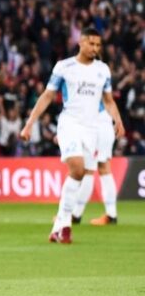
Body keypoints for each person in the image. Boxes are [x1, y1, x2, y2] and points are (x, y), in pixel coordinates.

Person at [20, 27, 124, 244]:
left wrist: (118, 120)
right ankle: (66, 224)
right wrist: (29, 124)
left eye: (98, 45)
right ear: (81, 42)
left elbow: (108, 100)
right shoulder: (64, 67)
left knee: (79, 175)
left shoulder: (103, 70)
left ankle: (59, 225)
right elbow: (48, 95)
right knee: (76, 168)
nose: (95, 48)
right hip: (70, 124)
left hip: (92, 128)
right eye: (91, 43)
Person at [71, 105, 119, 225]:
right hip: (106, 123)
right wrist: (118, 121)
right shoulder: (104, 85)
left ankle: (76, 215)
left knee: (88, 170)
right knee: (104, 168)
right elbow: (109, 100)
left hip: (95, 126)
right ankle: (111, 215)